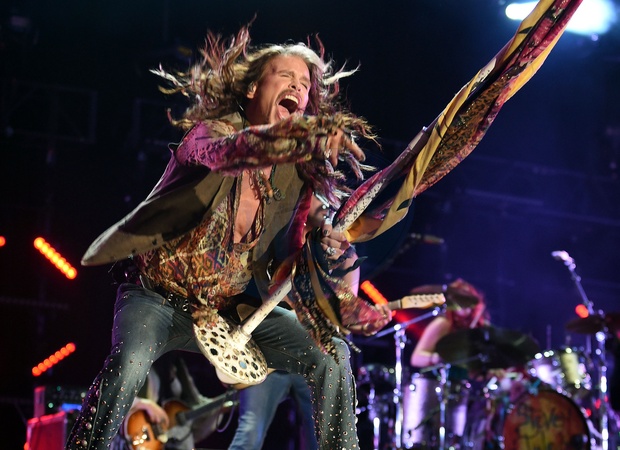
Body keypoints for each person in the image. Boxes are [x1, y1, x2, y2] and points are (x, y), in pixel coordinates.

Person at [66, 24, 392, 450]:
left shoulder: (296, 176)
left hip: (227, 311)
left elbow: (293, 258)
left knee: (332, 353)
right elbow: (231, 151)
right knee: (129, 363)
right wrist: (291, 137)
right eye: (286, 76)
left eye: (305, 84)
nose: (298, 87)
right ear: (254, 87)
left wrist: (328, 258)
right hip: (155, 297)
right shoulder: (211, 134)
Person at [228, 192, 359, 450]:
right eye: (319, 195)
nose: (328, 203)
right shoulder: (276, 241)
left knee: (320, 437)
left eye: (331, 198)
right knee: (250, 433)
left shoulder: (343, 252)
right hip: (267, 355)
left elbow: (347, 311)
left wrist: (342, 266)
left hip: (313, 355)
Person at [111, 352, 230, 450]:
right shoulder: (136, 362)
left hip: (156, 435)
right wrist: (145, 404)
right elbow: (113, 397)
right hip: (119, 433)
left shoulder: (172, 365)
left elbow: (196, 400)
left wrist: (220, 408)